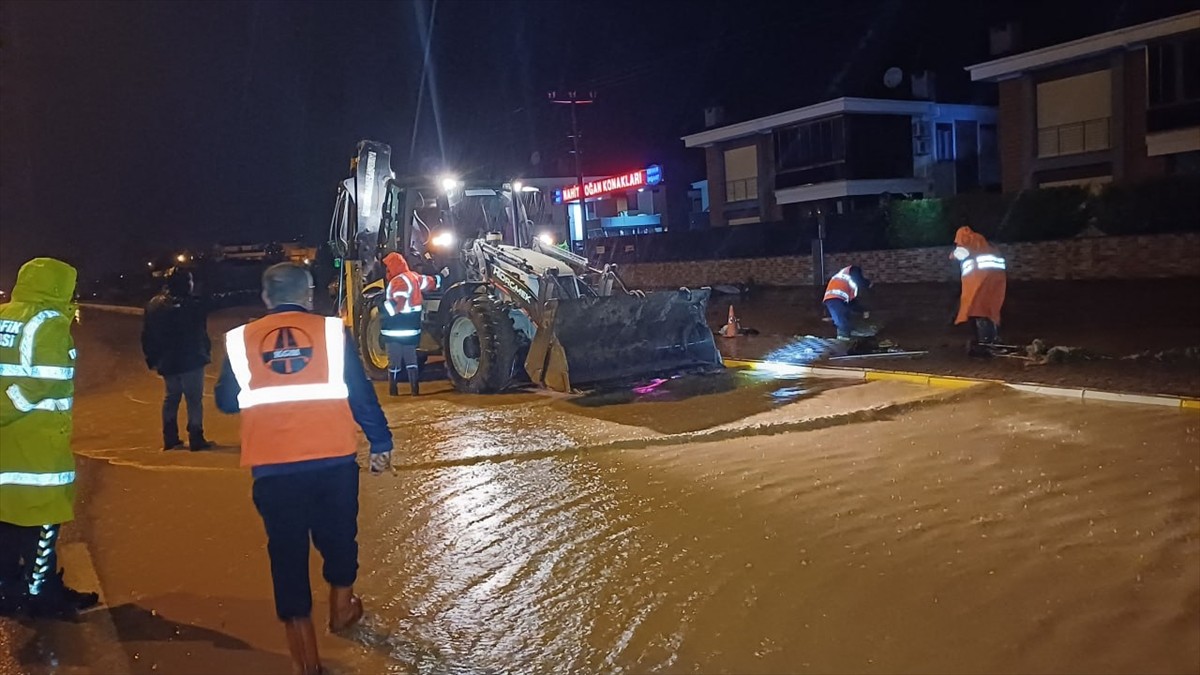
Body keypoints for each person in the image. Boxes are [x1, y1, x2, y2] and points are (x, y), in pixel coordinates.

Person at [214, 262, 393, 675]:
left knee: (287, 558)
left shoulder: (240, 341)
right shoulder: (332, 333)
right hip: (333, 464)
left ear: (265, 297)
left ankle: (306, 663)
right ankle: (342, 610)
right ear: (309, 295)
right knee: (340, 540)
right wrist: (381, 442)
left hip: (274, 473)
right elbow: (361, 394)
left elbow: (225, 402)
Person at [0, 258, 99, 618]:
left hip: (5, 450)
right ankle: (43, 596)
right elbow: (49, 379)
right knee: (43, 526)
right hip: (36, 447)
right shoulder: (50, 324)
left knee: (5, 523)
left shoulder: (2, 316)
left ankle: (7, 592)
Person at [141, 267, 214, 450]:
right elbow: (199, 332)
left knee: (171, 396)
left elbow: (147, 335)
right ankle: (196, 438)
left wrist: (152, 358)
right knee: (194, 399)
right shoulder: (193, 305)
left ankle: (170, 437)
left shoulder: (154, 305)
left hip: (168, 361)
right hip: (192, 359)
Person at [380, 252, 444, 396]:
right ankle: (415, 390)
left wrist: (383, 308)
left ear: (394, 267)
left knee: (394, 362)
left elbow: (397, 306)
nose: (387, 272)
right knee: (411, 359)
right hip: (412, 328)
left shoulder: (398, 282)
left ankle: (393, 391)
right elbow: (430, 282)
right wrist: (441, 277)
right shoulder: (414, 277)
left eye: (388, 268)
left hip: (395, 329)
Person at [950, 226, 1007, 350]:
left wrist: (953, 254)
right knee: (989, 310)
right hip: (993, 282)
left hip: (980, 282)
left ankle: (986, 342)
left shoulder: (969, 239)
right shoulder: (983, 243)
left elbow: (960, 254)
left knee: (979, 310)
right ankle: (993, 339)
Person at [822, 265, 872, 339]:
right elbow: (859, 279)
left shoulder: (844, 279)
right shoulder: (852, 272)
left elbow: (852, 303)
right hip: (836, 300)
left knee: (844, 316)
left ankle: (846, 334)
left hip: (835, 299)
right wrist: (867, 284)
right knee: (842, 321)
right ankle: (843, 338)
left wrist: (863, 310)